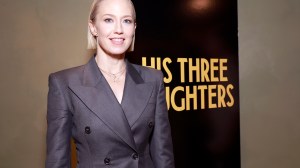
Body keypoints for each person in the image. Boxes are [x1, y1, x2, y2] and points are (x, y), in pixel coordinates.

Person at [45, 0, 175, 167]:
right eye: (108, 20)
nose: (119, 29)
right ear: (93, 27)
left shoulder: (153, 79)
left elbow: (163, 156)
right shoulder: (64, 83)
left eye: (126, 21)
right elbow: (57, 161)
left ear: (134, 28)